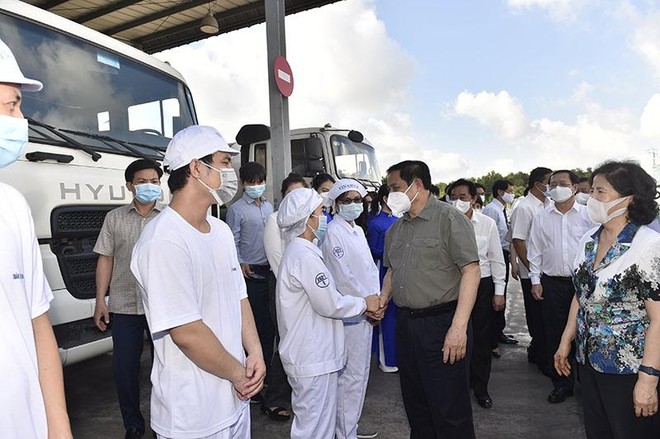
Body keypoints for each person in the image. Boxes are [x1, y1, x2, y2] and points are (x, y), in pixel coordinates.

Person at [130, 125, 265, 438]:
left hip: (234, 401)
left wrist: (254, 352)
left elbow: (239, 297)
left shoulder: (218, 231)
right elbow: (186, 332)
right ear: (195, 167)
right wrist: (239, 374)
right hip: (193, 416)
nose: (230, 171)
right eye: (224, 162)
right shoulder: (163, 240)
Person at [555, 161, 660, 439]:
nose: (592, 199)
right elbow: (582, 293)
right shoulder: (589, 239)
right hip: (589, 361)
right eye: (592, 191)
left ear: (629, 199)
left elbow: (658, 319)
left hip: (629, 369)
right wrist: (567, 340)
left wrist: (648, 380)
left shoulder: (648, 245)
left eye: (601, 192)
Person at [0, 37, 72, 439]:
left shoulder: (12, 204)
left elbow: (37, 322)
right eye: (12, 105)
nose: (21, 118)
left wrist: (58, 426)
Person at [380, 160, 480, 438]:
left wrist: (458, 329)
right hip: (406, 326)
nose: (390, 195)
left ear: (418, 185)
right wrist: (383, 299)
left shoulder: (449, 219)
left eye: (396, 187)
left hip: (442, 325)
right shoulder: (396, 229)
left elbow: (471, 271)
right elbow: (391, 271)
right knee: (417, 405)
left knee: (449, 410)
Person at [276, 188, 381, 439]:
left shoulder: (304, 252)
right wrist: (364, 304)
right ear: (306, 219)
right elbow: (330, 304)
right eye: (319, 212)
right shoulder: (304, 256)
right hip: (312, 357)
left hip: (315, 356)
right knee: (313, 429)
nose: (323, 217)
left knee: (319, 426)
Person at [93, 159, 164, 439]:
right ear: (130, 186)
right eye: (142, 181)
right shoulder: (114, 218)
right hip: (124, 305)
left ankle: (165, 421)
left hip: (162, 306)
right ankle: (133, 425)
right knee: (125, 369)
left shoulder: (169, 217)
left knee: (167, 366)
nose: (149, 186)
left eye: (154, 181)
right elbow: (105, 259)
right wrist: (101, 299)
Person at [527, 170, 595, 405]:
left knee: (585, 333)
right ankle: (561, 383)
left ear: (575, 187)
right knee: (555, 333)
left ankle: (587, 384)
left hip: (584, 284)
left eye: (562, 184)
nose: (556, 188)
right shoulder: (541, 217)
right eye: (552, 184)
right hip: (553, 284)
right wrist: (535, 280)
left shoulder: (589, 215)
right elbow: (534, 250)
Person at [321, 179, 381, 439]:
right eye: (347, 200)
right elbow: (344, 276)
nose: (354, 205)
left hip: (366, 312)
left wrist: (376, 300)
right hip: (352, 315)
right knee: (350, 377)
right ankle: (344, 432)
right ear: (335, 204)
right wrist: (368, 304)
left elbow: (368, 271)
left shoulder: (356, 229)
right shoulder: (334, 231)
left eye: (358, 200)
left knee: (360, 374)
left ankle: (349, 428)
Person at [450, 179, 506, 409]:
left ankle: (480, 387)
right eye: (453, 197)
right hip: (453, 285)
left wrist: (499, 290)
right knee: (456, 336)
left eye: (462, 197)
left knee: (482, 339)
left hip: (482, 286)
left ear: (474, 198)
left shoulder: (487, 224)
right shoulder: (445, 222)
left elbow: (496, 258)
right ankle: (458, 387)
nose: (457, 202)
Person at [261, 172, 308, 422]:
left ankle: (296, 394)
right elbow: (277, 260)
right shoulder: (274, 219)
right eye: (291, 194)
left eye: (301, 194)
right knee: (285, 342)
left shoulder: (310, 220)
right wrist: (300, 287)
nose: (296, 200)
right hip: (283, 289)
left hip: (306, 291)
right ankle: (275, 398)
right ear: (282, 197)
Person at [226, 161, 275, 400]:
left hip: (270, 271)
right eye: (251, 183)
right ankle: (251, 378)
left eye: (260, 182)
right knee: (252, 329)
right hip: (250, 273)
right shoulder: (236, 210)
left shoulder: (269, 207)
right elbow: (231, 240)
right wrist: (240, 261)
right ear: (243, 183)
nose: (257, 186)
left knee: (269, 328)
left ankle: (263, 376)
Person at [510, 166, 553, 375]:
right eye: (550, 182)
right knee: (537, 318)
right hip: (533, 274)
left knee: (548, 318)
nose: (552, 187)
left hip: (548, 272)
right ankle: (541, 358)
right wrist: (533, 270)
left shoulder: (549, 204)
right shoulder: (524, 207)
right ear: (538, 184)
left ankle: (539, 352)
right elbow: (518, 240)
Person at [482, 179, 518, 352]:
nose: (513, 194)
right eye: (510, 190)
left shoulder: (503, 209)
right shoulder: (491, 210)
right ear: (500, 192)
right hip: (495, 256)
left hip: (504, 253)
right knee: (495, 296)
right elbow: (488, 239)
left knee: (501, 294)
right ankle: (491, 339)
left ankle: (498, 332)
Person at [366, 184, 399, 373]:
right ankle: (385, 359)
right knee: (383, 312)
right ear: (385, 199)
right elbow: (373, 250)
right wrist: (391, 253)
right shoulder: (376, 223)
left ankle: (395, 355)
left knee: (395, 316)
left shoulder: (400, 220)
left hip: (397, 270)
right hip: (382, 270)